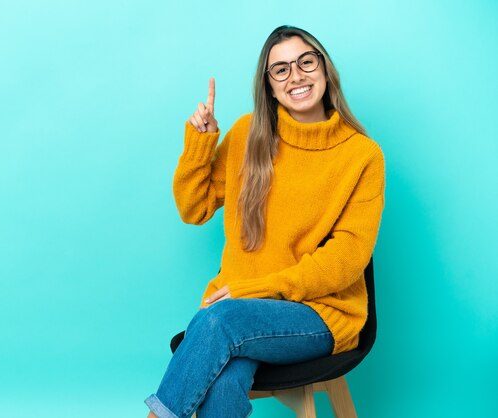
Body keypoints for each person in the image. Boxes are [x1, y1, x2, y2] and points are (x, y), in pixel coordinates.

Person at [145, 25, 385, 418]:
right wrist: (199, 143)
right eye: (281, 69)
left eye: (306, 62)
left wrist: (257, 288)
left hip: (320, 314)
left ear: (325, 70)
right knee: (223, 377)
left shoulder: (361, 156)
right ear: (269, 86)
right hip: (239, 311)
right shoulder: (247, 135)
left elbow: (345, 260)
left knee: (218, 321)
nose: (296, 75)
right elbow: (194, 209)